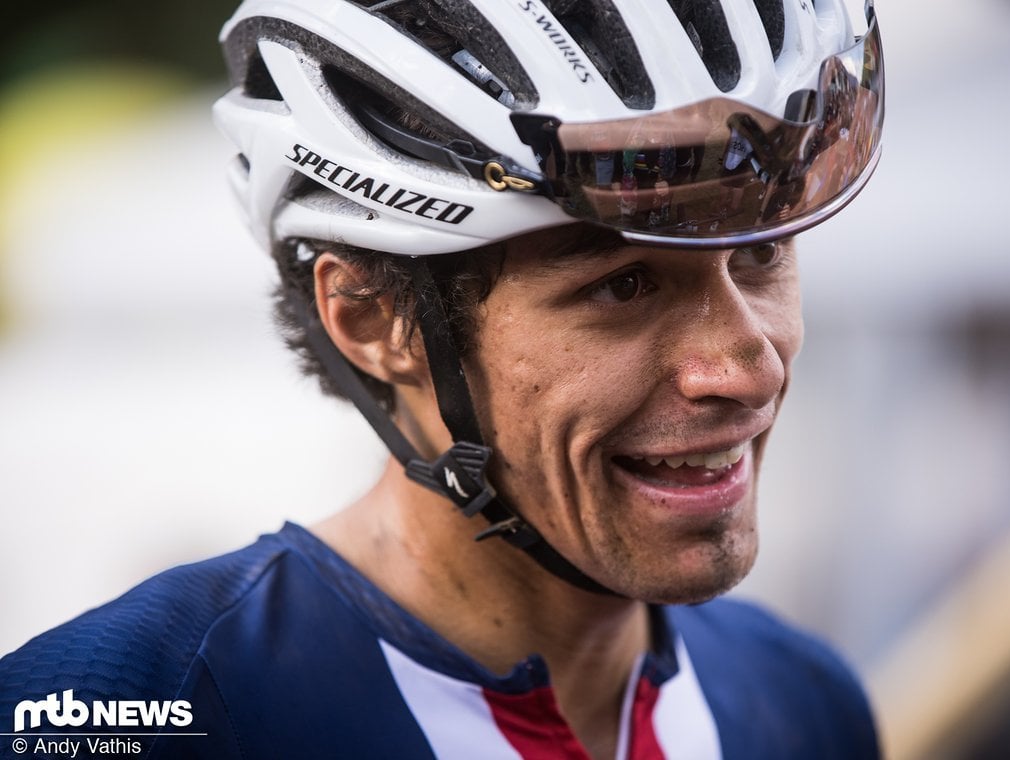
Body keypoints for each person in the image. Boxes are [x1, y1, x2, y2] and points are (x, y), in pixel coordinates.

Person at [0, 0, 885, 757]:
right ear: (373, 320)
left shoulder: (803, 703)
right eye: (624, 285)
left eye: (763, 253)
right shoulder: (126, 712)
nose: (744, 366)